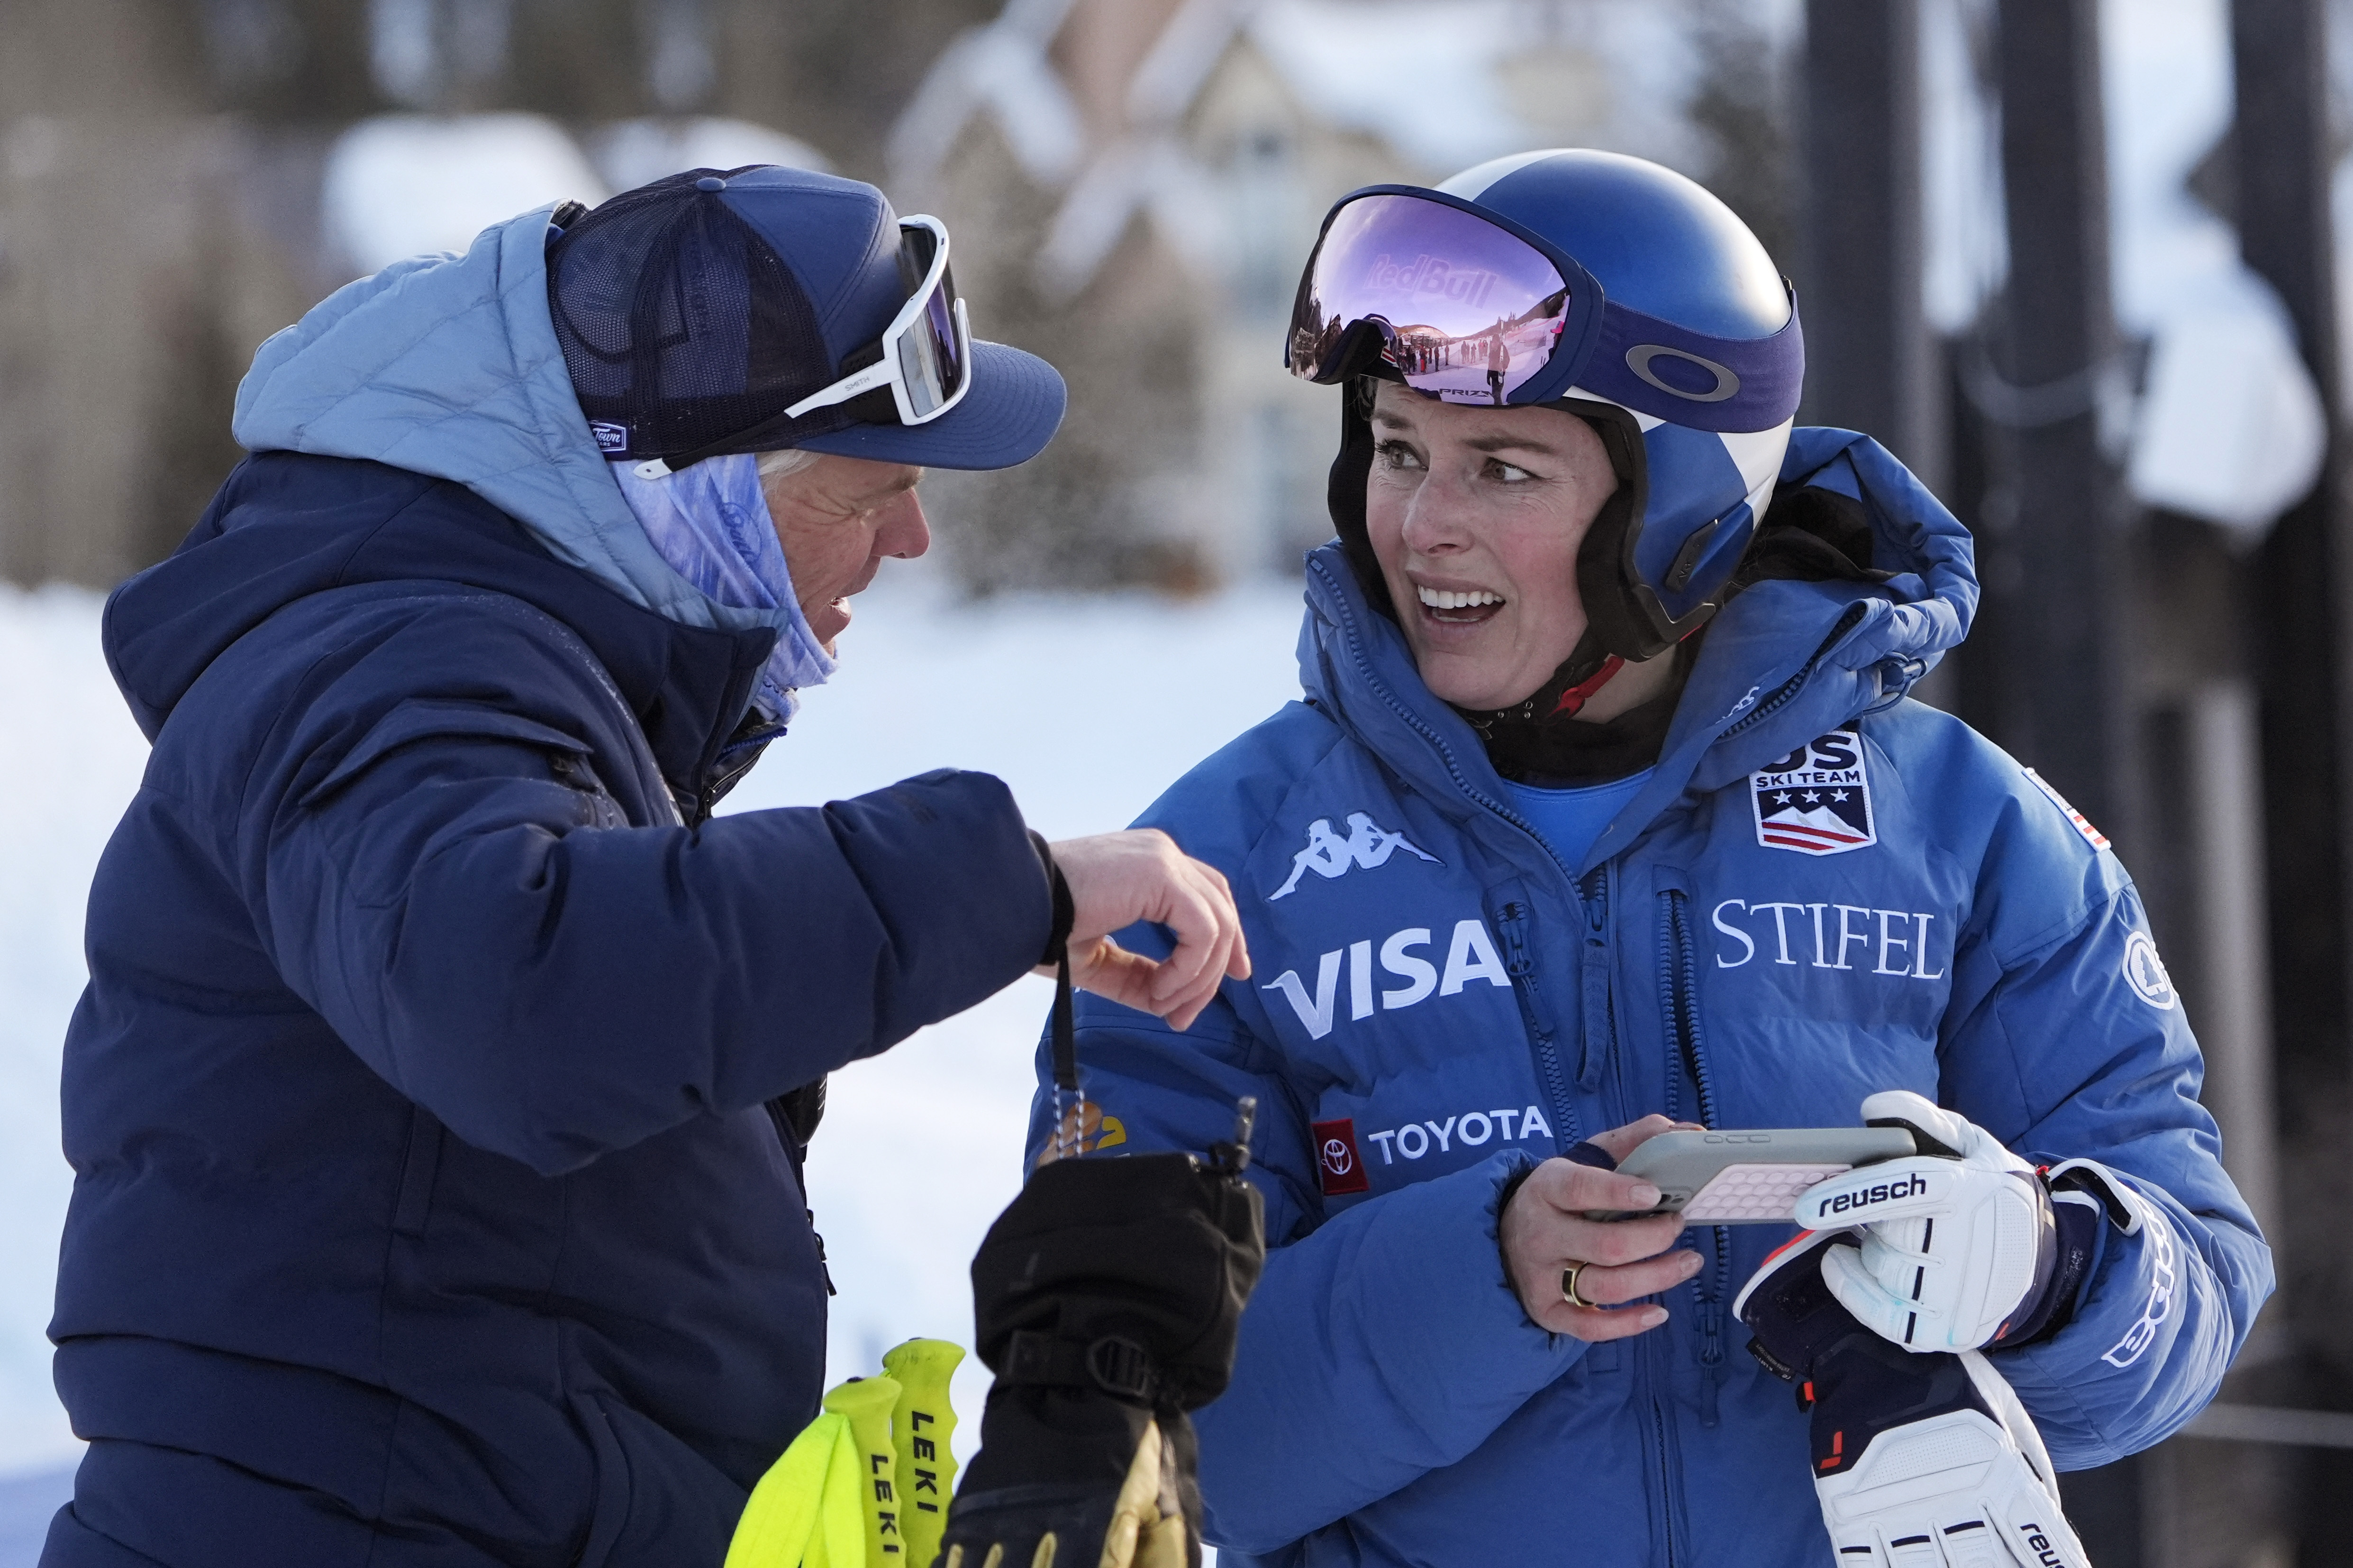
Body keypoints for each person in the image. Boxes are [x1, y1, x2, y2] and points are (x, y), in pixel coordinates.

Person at [1036, 148, 2272, 1566]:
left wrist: (2045, 1269)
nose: (1423, 525)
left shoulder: (1967, 832)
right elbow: (1139, 1446)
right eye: (1395, 450)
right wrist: (1482, 1274)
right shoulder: (1216, 872)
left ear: (1681, 512)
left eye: (1504, 467)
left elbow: (2202, 1303)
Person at [45, 165, 1250, 1567]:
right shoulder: (394, 662)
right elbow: (515, 988)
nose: (912, 539)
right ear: (696, 492)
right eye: (872, 493)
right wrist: (999, 884)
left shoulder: (487, 667)